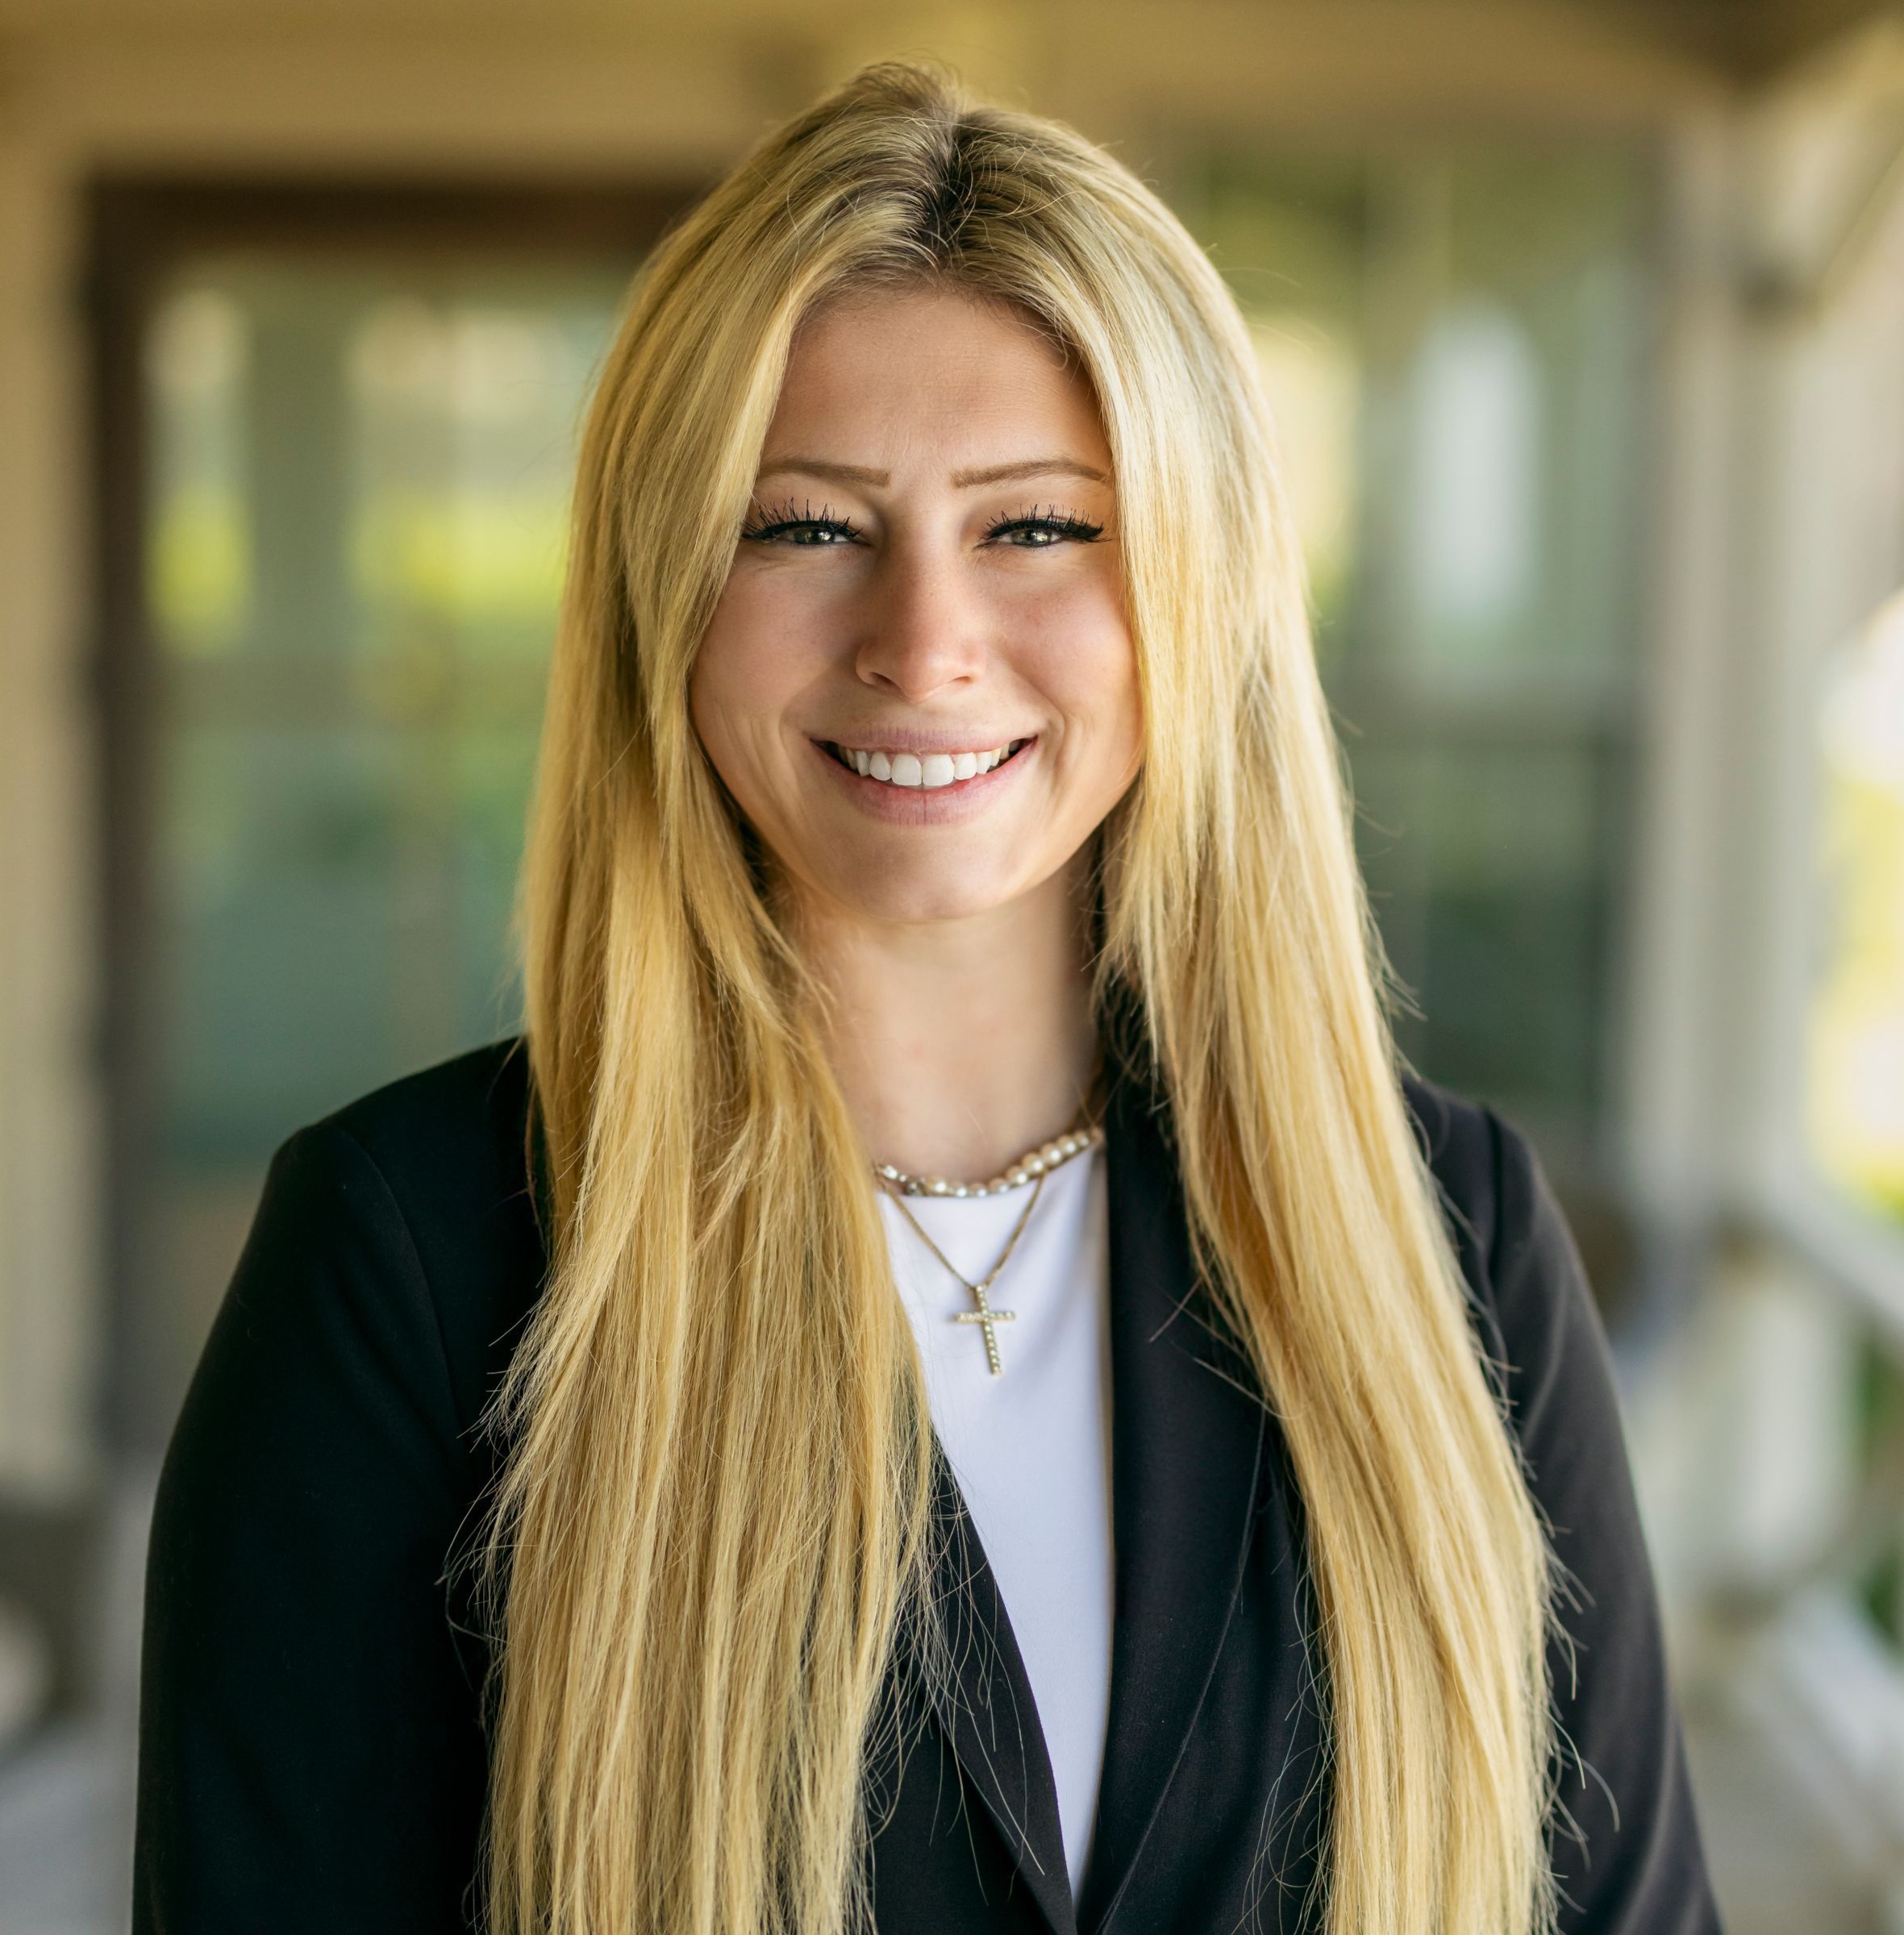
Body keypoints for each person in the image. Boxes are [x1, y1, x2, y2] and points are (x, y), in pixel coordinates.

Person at [132, 63, 1721, 1935]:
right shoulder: (405, 1260)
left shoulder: (1451, 1236)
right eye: (804, 526)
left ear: (1196, 592)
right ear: (666, 589)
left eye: (1038, 527)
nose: (925, 644)